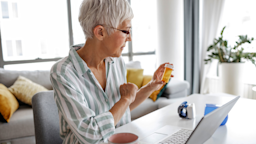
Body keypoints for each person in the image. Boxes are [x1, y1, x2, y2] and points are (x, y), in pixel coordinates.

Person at [50, 0, 171, 143]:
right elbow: (90, 134)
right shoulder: (63, 72)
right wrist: (125, 99)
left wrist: (151, 86)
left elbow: (121, 109)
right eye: (126, 31)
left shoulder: (117, 62)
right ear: (100, 32)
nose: (130, 38)